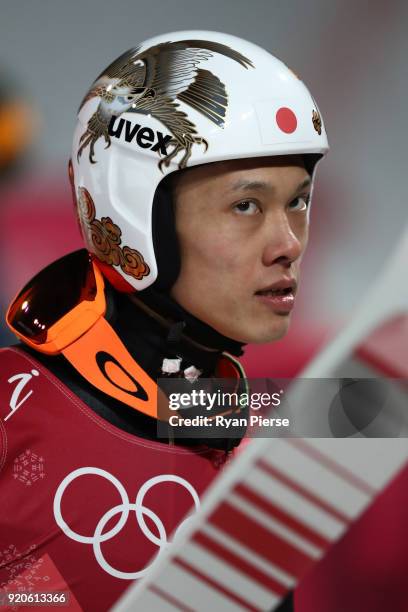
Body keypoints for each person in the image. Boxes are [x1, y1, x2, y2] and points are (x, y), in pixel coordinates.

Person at [0, 31, 328, 611]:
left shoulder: (245, 414)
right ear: (133, 213)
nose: (288, 244)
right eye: (246, 205)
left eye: (298, 200)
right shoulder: (13, 411)